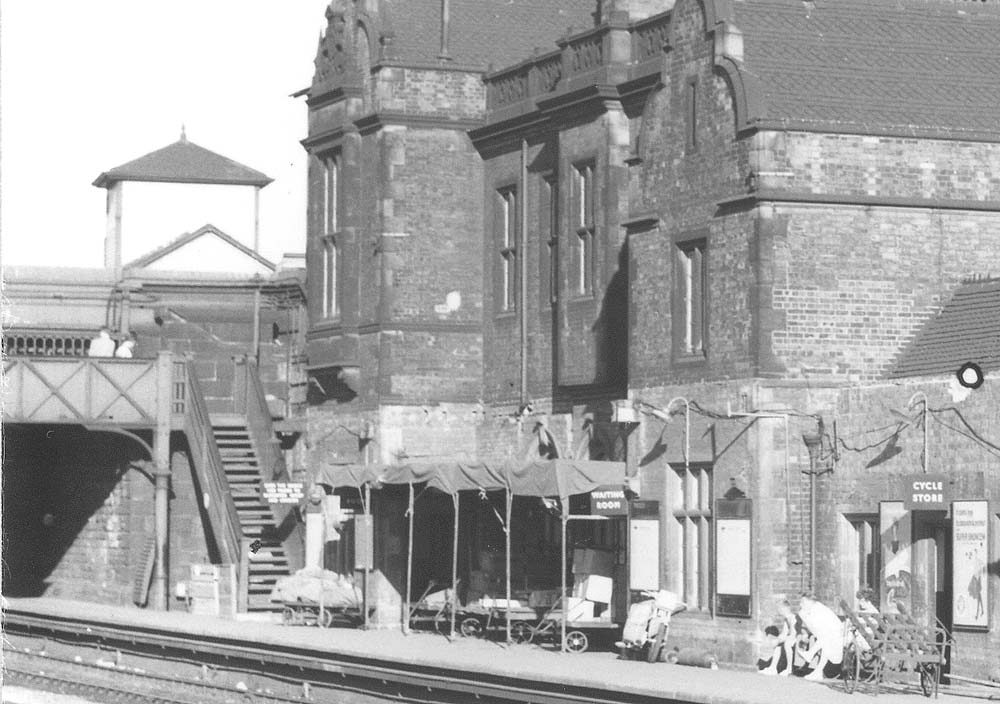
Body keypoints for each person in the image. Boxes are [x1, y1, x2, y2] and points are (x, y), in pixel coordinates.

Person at [797, 592, 845, 681]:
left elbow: (816, 630)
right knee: (824, 640)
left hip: (838, 636)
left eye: (803, 602)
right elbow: (817, 631)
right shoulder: (814, 609)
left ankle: (811, 657)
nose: (801, 604)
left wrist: (804, 616)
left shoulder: (817, 610)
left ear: (810, 601)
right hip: (829, 636)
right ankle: (817, 670)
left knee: (825, 640)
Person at [758, 599, 799, 676]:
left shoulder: (793, 618)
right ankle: (773, 668)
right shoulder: (786, 619)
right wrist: (778, 639)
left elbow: (794, 633)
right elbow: (784, 633)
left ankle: (789, 668)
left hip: (796, 638)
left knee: (787, 644)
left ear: (785, 608)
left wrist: (782, 639)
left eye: (780, 609)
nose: (779, 611)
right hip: (791, 637)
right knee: (778, 646)